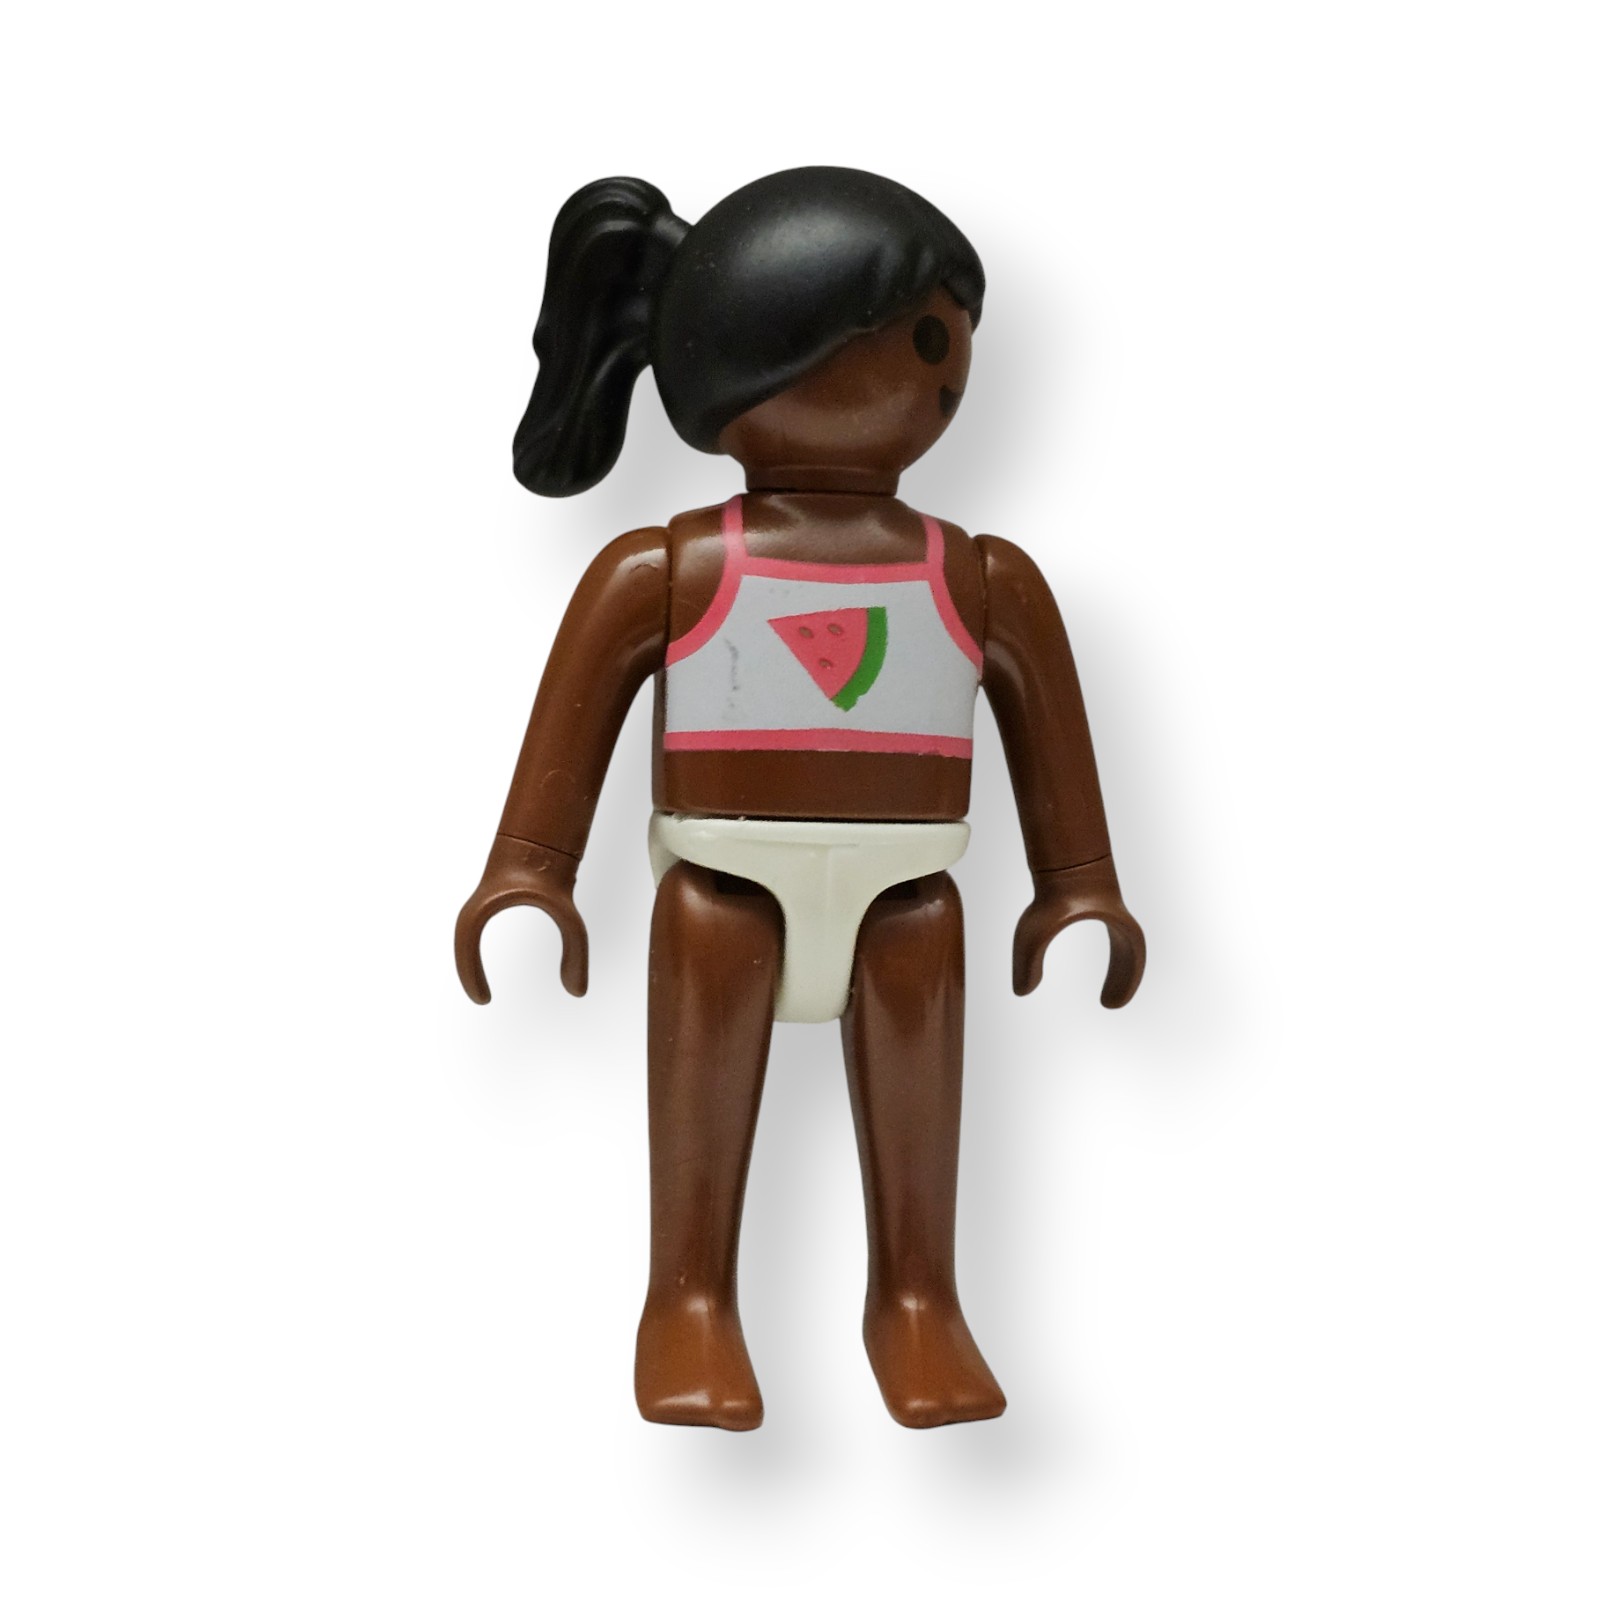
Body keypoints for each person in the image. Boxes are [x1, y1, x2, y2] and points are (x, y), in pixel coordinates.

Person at [455, 167, 1146, 1430]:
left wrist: (1077, 883)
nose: (948, 372)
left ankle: (918, 1299)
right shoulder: (670, 568)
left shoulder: (979, 575)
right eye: (926, 336)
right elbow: (573, 723)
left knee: (919, 1092)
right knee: (705, 1075)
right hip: (720, 884)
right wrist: (530, 866)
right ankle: (689, 1299)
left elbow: (1048, 733)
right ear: (773, 345)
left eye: (954, 340)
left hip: (908, 892)